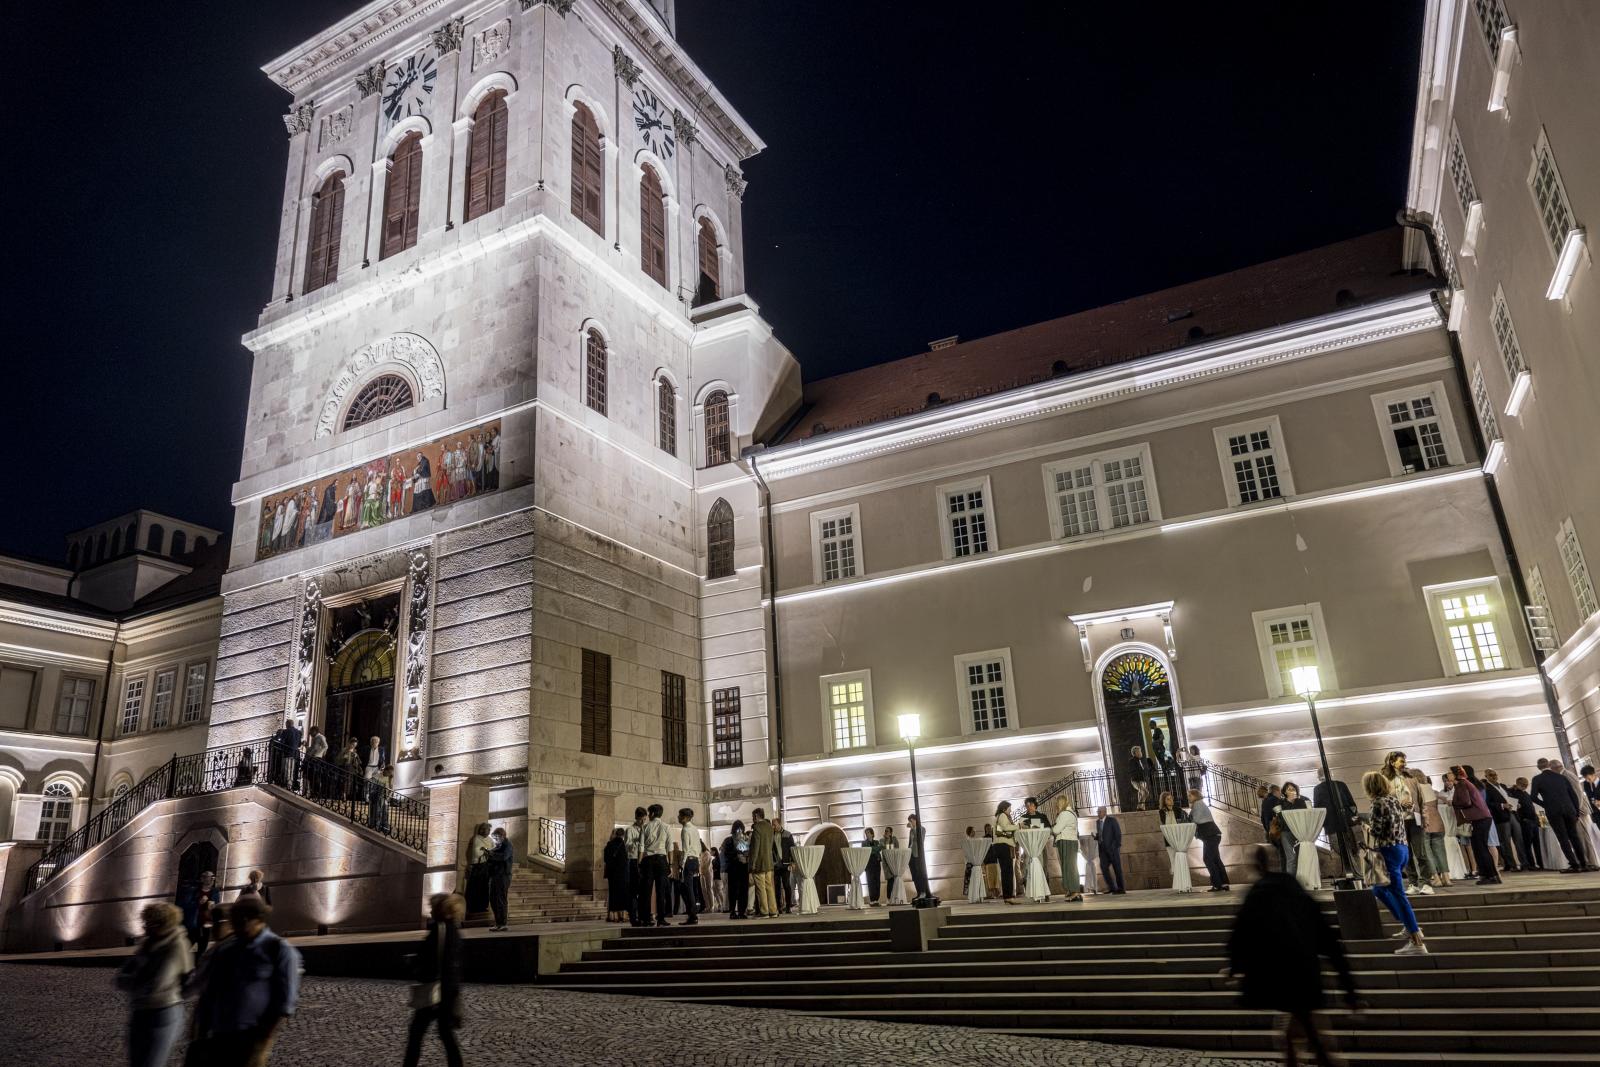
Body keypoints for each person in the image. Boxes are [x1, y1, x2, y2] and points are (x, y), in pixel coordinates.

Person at [1227, 846, 1359, 1066]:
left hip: (1280, 979)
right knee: (1304, 1032)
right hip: (1306, 975)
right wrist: (1350, 989)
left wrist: (1235, 967)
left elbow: (1240, 935)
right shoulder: (1296, 893)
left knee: (1305, 1035)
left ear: (1255, 867)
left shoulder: (1256, 896)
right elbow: (1329, 940)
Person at [188, 896, 301, 1065]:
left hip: (250, 1037)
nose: (234, 926)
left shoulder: (278, 950)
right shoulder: (226, 949)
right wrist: (201, 1031)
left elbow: (285, 1002)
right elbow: (210, 991)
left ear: (254, 919)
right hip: (218, 1034)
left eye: (238, 920)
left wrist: (263, 1040)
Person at [117, 902, 193, 1067]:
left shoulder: (175, 945)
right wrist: (135, 980)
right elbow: (121, 976)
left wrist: (132, 980)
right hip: (141, 1010)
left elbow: (156, 984)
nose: (145, 926)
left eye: (149, 922)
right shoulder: (148, 944)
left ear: (162, 924)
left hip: (163, 1012)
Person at [1363, 771, 1428, 954]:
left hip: (1388, 851)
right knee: (1378, 889)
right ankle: (1408, 924)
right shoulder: (1393, 800)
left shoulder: (1377, 803)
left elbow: (1376, 831)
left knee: (1398, 895)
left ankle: (1416, 941)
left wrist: (1366, 827)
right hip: (1402, 848)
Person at [402, 893, 465, 1067]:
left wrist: (413, 962)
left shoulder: (439, 931)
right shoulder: (453, 931)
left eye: (431, 907)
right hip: (447, 992)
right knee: (445, 1033)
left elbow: (429, 961)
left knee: (417, 1033)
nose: (429, 911)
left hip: (435, 993)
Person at [1381, 751, 1438, 895]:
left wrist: (1424, 819)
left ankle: (1426, 883)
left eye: (1405, 761)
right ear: (1392, 762)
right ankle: (1413, 883)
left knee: (1421, 853)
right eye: (1401, 761)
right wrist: (1399, 804)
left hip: (1414, 819)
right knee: (1406, 855)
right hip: (1397, 822)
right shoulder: (1385, 781)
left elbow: (1421, 800)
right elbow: (1382, 801)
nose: (1404, 764)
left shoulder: (1411, 778)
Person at [1532, 760, 1589, 872]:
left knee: (1563, 838)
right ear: (1549, 765)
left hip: (1554, 812)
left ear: (1538, 767)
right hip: (1570, 810)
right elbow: (1573, 794)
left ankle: (1574, 864)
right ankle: (1584, 864)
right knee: (1574, 836)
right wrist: (1576, 811)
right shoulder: (1561, 777)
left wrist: (1545, 804)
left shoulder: (1537, 779)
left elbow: (1533, 796)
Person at [1449, 764, 1499, 884]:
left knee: (1480, 848)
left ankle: (1489, 876)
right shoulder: (1466, 782)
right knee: (1481, 847)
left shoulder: (1461, 783)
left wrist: (1453, 803)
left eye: (1450, 772)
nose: (1448, 774)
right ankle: (1492, 875)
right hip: (1483, 817)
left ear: (1456, 774)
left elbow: (1465, 802)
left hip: (1479, 818)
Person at [1408, 768, 1452, 887]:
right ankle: (1447, 878)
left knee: (1427, 853)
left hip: (1425, 823)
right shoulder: (1429, 787)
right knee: (1440, 851)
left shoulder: (1415, 788)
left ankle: (1436, 878)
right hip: (1438, 822)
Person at [1312, 768, 1358, 873]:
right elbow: (1351, 803)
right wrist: (1353, 816)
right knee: (1350, 847)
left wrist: (1321, 824)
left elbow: (1318, 808)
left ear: (1319, 776)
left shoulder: (1317, 789)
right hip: (1345, 821)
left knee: (1338, 847)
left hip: (1331, 824)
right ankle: (1354, 870)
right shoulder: (1340, 785)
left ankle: (1352, 870)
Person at [1482, 768, 1527, 873]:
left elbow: (1509, 797)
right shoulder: (1486, 789)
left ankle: (1524, 863)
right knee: (1505, 842)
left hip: (1512, 814)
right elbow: (1488, 804)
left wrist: (1516, 804)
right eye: (1491, 775)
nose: (1494, 776)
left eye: (1495, 774)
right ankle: (1512, 865)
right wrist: (1502, 805)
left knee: (1519, 839)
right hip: (1501, 817)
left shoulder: (1502, 786)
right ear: (1486, 777)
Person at [1189, 788, 1230, 892]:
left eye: (1190, 795)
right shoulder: (1200, 803)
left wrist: (1190, 816)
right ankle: (1224, 883)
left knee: (1208, 859)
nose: (1188, 798)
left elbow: (1197, 820)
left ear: (1195, 796)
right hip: (1213, 834)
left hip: (1210, 835)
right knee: (1215, 859)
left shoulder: (1197, 804)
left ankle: (1217, 884)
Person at [641, 803, 673, 927]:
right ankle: (661, 918)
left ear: (653, 813)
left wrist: (639, 862)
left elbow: (641, 847)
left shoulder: (645, 827)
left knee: (646, 891)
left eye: (649, 813)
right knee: (661, 891)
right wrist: (670, 864)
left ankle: (646, 918)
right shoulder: (666, 826)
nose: (648, 815)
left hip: (648, 860)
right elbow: (669, 847)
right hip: (661, 859)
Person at [1048, 799, 1083, 901]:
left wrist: (1049, 829)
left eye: (1056, 805)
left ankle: (1075, 892)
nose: (1055, 807)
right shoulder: (1071, 813)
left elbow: (1056, 830)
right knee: (1070, 866)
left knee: (1069, 867)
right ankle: (1072, 891)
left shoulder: (1064, 814)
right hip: (1070, 841)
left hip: (1066, 841)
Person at [1508, 776, 1544, 871]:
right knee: (1527, 845)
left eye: (1526, 785)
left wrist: (1537, 820)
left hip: (1533, 820)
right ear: (1518, 784)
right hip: (1525, 821)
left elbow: (1531, 807)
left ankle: (1540, 863)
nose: (1525, 787)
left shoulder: (1525, 793)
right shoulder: (1514, 794)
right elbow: (1515, 807)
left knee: (1537, 844)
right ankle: (1531, 864)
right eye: (1523, 785)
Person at [748, 806, 778, 919]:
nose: (752, 819)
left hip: (759, 863)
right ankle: (773, 911)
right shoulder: (770, 827)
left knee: (761, 888)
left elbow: (755, 848)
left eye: (752, 816)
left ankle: (764, 912)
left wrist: (752, 865)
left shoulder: (757, 828)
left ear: (756, 816)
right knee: (770, 887)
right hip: (769, 862)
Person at [1274, 782, 1309, 876]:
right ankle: (1291, 882)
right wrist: (1290, 802)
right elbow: (1280, 816)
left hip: (1300, 832)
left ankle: (1303, 879)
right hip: (1286, 832)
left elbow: (1306, 814)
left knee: (1302, 857)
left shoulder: (1301, 801)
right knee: (1291, 858)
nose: (1292, 791)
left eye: (1293, 789)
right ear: (1284, 792)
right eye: (1289, 789)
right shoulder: (1280, 802)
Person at [677, 807, 704, 926]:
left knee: (687, 889)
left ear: (685, 818)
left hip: (688, 860)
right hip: (695, 859)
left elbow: (686, 849)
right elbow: (698, 846)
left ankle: (693, 915)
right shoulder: (695, 829)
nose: (678, 818)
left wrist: (682, 865)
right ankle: (692, 914)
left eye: (679, 816)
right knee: (690, 888)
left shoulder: (685, 830)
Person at [464, 821, 494, 915]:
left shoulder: (490, 839)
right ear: (481, 830)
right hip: (478, 866)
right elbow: (476, 853)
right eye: (485, 829)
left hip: (487, 866)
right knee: (475, 887)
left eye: (488, 829)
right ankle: (472, 906)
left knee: (485, 887)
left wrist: (486, 850)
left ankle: (483, 906)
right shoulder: (477, 839)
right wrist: (486, 851)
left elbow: (493, 850)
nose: (487, 831)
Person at [487, 827, 513, 931]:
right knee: (493, 899)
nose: (495, 839)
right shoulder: (499, 846)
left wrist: (491, 854)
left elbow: (503, 857)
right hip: (495, 875)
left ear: (502, 835)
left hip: (503, 876)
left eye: (496, 837)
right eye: (494, 837)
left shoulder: (508, 845)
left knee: (501, 899)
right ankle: (498, 922)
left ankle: (502, 923)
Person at [1094, 806, 1126, 894]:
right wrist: (1096, 837)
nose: (1098, 813)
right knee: (1103, 868)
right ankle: (1112, 887)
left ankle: (1121, 889)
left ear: (1105, 812)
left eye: (1099, 811)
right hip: (1103, 850)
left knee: (1117, 869)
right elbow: (1101, 834)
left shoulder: (1112, 820)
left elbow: (1118, 834)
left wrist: (1115, 846)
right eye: (1097, 811)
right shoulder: (1097, 822)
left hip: (1113, 849)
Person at [723, 820, 750, 919]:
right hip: (742, 868)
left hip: (733, 869)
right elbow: (749, 852)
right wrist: (742, 857)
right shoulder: (746, 839)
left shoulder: (728, 840)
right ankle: (741, 912)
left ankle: (733, 911)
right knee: (743, 890)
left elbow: (726, 855)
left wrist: (736, 856)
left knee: (733, 891)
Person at [624, 806, 646, 926]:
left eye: (644, 820)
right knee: (633, 890)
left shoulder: (646, 829)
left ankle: (643, 916)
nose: (643, 822)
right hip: (633, 860)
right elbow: (627, 846)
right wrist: (639, 840)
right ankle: (633, 917)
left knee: (643, 890)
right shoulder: (630, 830)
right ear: (636, 818)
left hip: (643, 860)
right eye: (641, 820)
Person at [993, 801, 1019, 901]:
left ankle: (1008, 896)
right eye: (1009, 808)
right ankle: (1008, 896)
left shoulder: (1000, 816)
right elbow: (1005, 827)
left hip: (1001, 846)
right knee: (1007, 872)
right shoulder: (1003, 815)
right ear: (1004, 809)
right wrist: (1018, 826)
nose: (1011, 810)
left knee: (1006, 872)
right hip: (1003, 846)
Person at [603, 827, 630, 922]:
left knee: (613, 894)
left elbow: (605, 859)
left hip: (612, 874)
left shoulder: (609, 844)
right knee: (623, 894)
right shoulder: (624, 845)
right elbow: (627, 859)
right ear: (623, 835)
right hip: (623, 874)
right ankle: (622, 915)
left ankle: (613, 916)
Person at [772, 816, 796, 914]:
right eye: (772, 825)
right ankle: (778, 907)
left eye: (774, 824)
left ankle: (788, 906)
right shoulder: (771, 835)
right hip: (775, 864)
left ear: (779, 824)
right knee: (777, 887)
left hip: (786, 864)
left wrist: (793, 862)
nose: (773, 826)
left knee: (787, 885)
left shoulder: (787, 834)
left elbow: (792, 849)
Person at [906, 813, 933, 901]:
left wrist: (913, 828)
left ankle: (923, 892)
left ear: (915, 820)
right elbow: (910, 843)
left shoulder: (922, 829)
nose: (910, 822)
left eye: (911, 821)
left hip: (918, 855)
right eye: (909, 821)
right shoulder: (911, 831)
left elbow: (919, 840)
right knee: (914, 875)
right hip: (911, 855)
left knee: (920, 873)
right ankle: (918, 892)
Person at [271, 718, 301, 788]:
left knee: (287, 769)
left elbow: (282, 742)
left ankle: (287, 785)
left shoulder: (286, 731)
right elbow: (299, 744)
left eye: (286, 724)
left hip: (287, 753)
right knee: (292, 769)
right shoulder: (298, 732)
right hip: (295, 754)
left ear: (287, 724)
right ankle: (290, 784)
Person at [1128, 745, 1156, 810]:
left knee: (1140, 795)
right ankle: (1139, 807)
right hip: (1136, 780)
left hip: (1142, 780)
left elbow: (1142, 771)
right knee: (1146, 792)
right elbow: (1133, 771)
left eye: (1140, 751)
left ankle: (1142, 808)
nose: (1141, 752)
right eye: (1139, 751)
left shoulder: (1139, 761)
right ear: (1135, 753)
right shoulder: (1132, 761)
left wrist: (1149, 770)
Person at [303, 727, 328, 798]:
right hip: (311, 759)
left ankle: (316, 793)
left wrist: (317, 755)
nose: (310, 733)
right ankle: (312, 792)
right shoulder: (315, 738)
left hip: (316, 759)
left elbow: (325, 746)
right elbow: (313, 749)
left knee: (315, 776)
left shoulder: (321, 737)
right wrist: (306, 747)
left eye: (311, 731)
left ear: (315, 731)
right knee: (311, 776)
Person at [862, 827, 883, 906]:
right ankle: (872, 900)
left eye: (868, 833)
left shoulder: (877, 842)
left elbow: (880, 848)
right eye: (866, 833)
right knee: (870, 881)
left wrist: (872, 849)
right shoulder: (864, 843)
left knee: (877, 881)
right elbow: (867, 850)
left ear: (872, 834)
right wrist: (875, 849)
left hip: (877, 863)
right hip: (869, 864)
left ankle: (876, 899)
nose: (867, 834)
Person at [981, 824, 1001, 899]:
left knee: (996, 877)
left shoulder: (994, 838)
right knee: (989, 878)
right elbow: (983, 850)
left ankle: (997, 892)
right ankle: (992, 893)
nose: (989, 829)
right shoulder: (984, 838)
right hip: (988, 860)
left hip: (994, 859)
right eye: (987, 828)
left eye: (990, 828)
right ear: (985, 829)